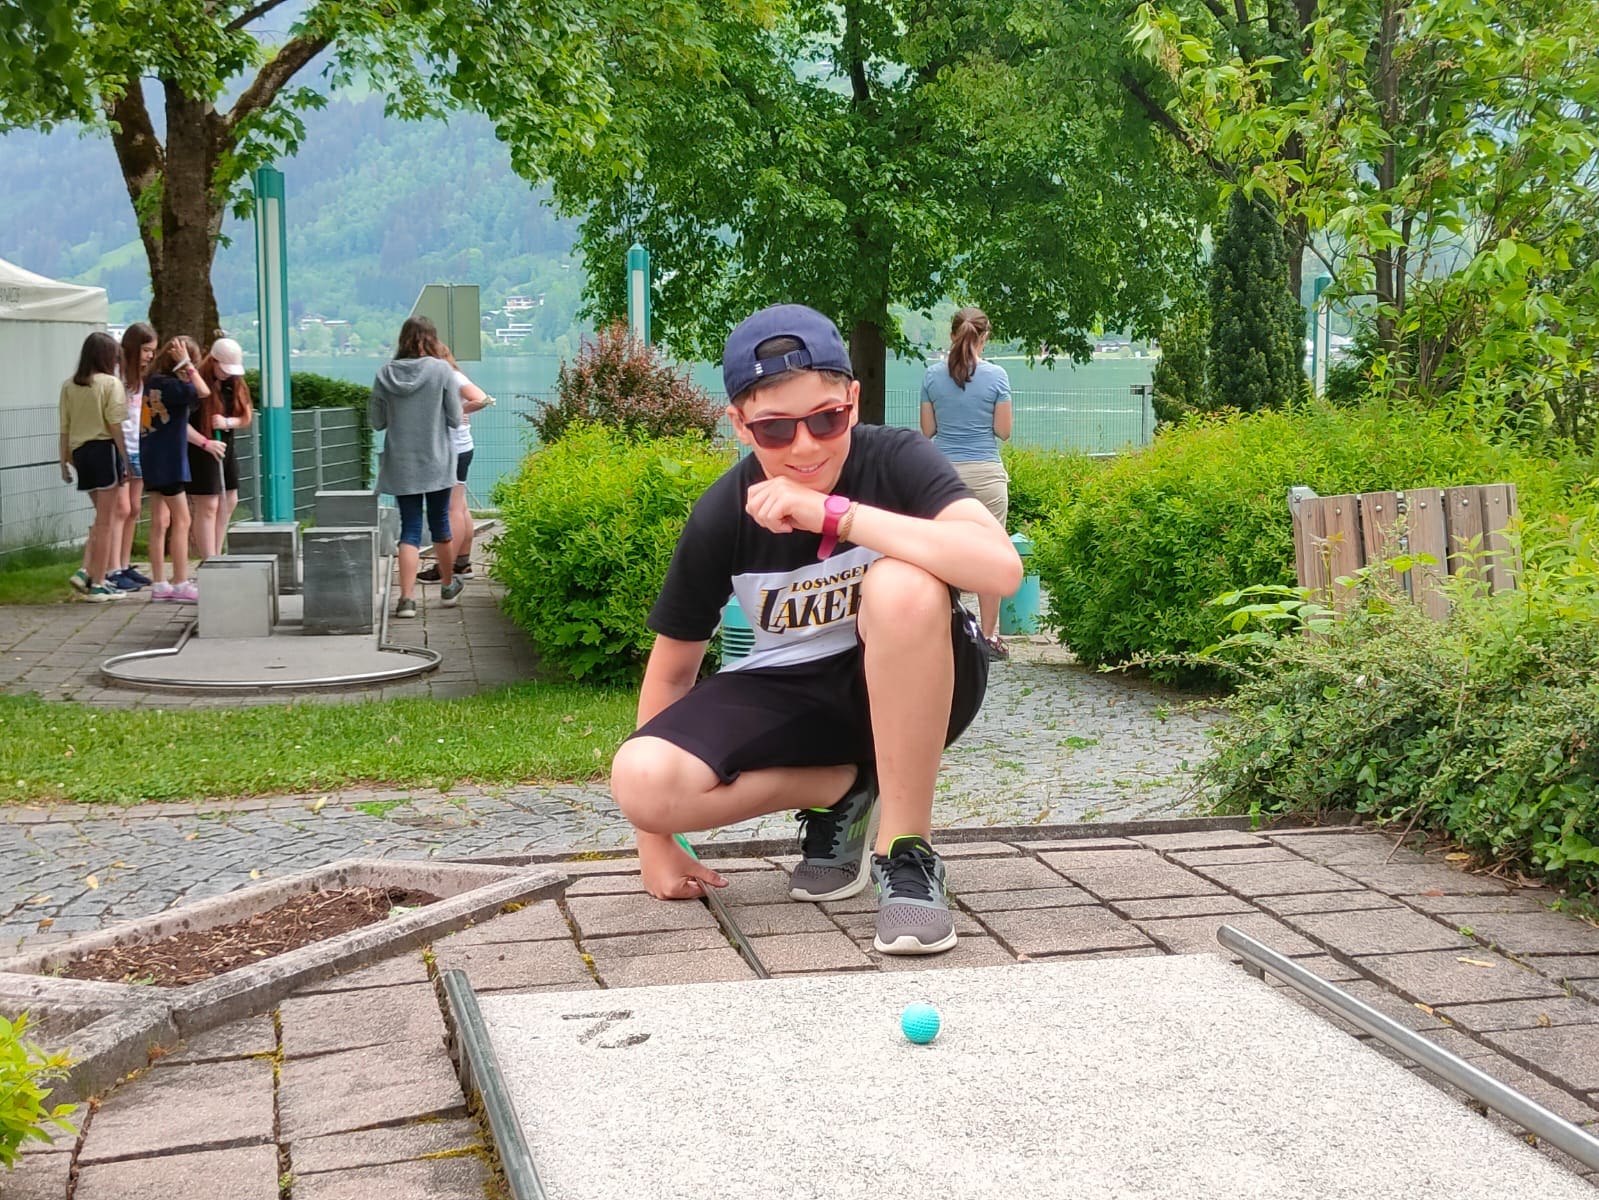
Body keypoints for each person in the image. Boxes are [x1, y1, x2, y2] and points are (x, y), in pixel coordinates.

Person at [608, 304, 1021, 955]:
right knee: (641, 780)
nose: (804, 446)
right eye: (775, 429)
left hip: (923, 677)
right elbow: (671, 671)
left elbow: (999, 569)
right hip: (793, 696)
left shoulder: (896, 460)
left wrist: (837, 515)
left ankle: (906, 852)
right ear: (739, 425)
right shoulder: (723, 513)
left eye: (826, 418)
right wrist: (656, 842)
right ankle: (846, 789)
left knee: (903, 584)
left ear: (852, 402)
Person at [920, 306, 1014, 658]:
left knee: (941, 554)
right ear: (985, 337)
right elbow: (1003, 431)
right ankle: (988, 638)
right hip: (986, 474)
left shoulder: (932, 376)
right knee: (991, 554)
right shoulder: (998, 376)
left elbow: (928, 430)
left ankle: (946, 633)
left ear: (951, 335)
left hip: (943, 476)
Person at [370, 316, 463, 618]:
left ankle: (407, 600)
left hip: (401, 464)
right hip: (437, 461)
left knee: (409, 528)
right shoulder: (442, 371)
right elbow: (455, 418)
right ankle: (447, 587)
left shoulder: (384, 374)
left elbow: (377, 422)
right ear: (432, 339)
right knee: (440, 524)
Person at [142, 336, 223, 602]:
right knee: (183, 519)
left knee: (159, 521)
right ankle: (179, 582)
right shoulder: (174, 387)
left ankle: (159, 583)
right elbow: (204, 391)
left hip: (151, 458)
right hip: (170, 461)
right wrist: (187, 364)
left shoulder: (152, 382)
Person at [59, 332, 130, 602]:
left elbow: (64, 427)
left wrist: (63, 462)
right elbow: (114, 423)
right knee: (106, 522)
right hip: (104, 450)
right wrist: (125, 457)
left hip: (80, 454)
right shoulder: (111, 384)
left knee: (101, 518)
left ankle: (88, 572)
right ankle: (98, 582)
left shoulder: (69, 385)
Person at [418, 352, 495, 585]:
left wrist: (457, 412)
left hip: (451, 450)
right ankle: (462, 564)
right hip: (460, 449)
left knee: (451, 509)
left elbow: (482, 399)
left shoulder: (450, 376)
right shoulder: (452, 375)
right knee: (460, 507)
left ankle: (446, 568)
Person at [190, 337, 254, 558]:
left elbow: (246, 416)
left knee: (229, 500)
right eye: (224, 369)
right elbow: (183, 423)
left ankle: (217, 554)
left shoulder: (235, 383)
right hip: (201, 449)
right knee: (208, 504)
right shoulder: (198, 382)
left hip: (225, 447)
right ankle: (209, 559)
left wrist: (227, 422)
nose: (227, 374)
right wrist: (205, 442)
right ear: (213, 361)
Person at [108, 323, 158, 591]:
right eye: (146, 350)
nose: (150, 355)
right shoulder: (117, 376)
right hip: (122, 447)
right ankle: (113, 568)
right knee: (121, 508)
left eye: (153, 351)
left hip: (140, 445)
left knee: (135, 508)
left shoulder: (142, 378)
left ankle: (125, 563)